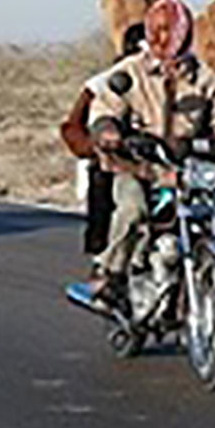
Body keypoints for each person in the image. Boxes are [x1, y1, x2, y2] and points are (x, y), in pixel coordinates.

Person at [85, 0, 215, 308]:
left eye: (170, 30)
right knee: (133, 210)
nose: (162, 38)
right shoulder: (130, 73)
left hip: (189, 171)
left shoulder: (207, 81)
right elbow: (104, 108)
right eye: (156, 29)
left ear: (186, 34)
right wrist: (108, 130)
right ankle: (113, 274)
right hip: (139, 166)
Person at [60, 24, 146, 271]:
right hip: (123, 165)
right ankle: (111, 269)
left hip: (168, 165)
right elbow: (74, 127)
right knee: (132, 209)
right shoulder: (104, 85)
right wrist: (98, 144)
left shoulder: (183, 82)